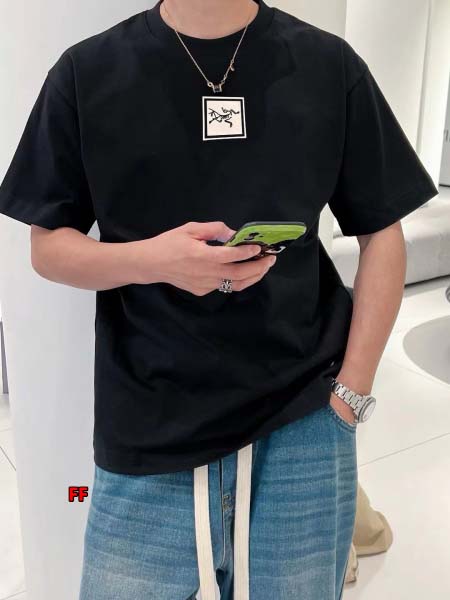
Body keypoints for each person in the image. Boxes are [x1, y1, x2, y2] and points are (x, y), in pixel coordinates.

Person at [0, 1, 438, 598]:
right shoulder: (87, 71)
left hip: (304, 418)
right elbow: (48, 246)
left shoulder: (328, 64)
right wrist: (156, 260)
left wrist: (350, 396)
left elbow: (382, 228)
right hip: (149, 424)